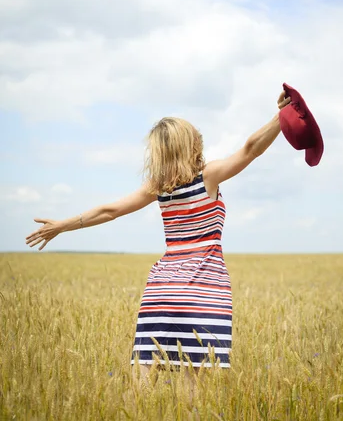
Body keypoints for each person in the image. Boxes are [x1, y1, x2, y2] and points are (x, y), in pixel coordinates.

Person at [26, 89, 291, 399]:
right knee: (193, 394)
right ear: (193, 144)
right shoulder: (209, 177)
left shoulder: (159, 188)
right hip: (203, 288)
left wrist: (61, 225)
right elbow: (249, 150)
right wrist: (281, 117)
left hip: (161, 291)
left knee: (142, 386)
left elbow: (109, 211)